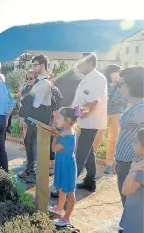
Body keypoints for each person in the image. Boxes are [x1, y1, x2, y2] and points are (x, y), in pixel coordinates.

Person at [72, 52, 107, 192]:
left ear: (91, 64)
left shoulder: (97, 78)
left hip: (91, 121)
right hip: (85, 121)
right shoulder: (87, 78)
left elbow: (93, 103)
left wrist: (74, 115)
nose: (78, 65)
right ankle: (90, 181)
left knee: (80, 154)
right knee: (89, 151)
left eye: (82, 62)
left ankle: (67, 188)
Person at [112, 66, 144, 206]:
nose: (118, 87)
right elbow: (125, 135)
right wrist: (117, 158)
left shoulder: (140, 109)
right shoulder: (132, 105)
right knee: (125, 198)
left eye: (121, 84)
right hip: (124, 160)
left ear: (133, 84)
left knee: (130, 200)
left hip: (132, 163)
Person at [18, 55, 52, 184]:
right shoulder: (39, 81)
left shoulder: (44, 83)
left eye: (35, 64)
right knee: (29, 143)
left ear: (42, 65)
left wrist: (26, 98)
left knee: (36, 146)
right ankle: (29, 170)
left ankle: (34, 174)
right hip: (32, 118)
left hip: (39, 119)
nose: (33, 67)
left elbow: (35, 103)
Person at [93, 64, 129, 174]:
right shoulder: (104, 84)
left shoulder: (121, 85)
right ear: (111, 73)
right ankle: (90, 160)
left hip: (117, 113)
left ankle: (109, 163)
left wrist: (112, 100)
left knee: (113, 139)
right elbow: (99, 99)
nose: (118, 74)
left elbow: (125, 100)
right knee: (98, 137)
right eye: (117, 72)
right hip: (104, 114)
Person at [48, 107, 78, 227]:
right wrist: (56, 117)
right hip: (62, 163)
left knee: (69, 192)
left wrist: (55, 137)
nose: (57, 120)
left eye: (59, 118)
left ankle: (67, 218)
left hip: (67, 167)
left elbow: (54, 149)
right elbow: (55, 126)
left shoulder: (68, 137)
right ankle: (60, 208)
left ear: (67, 120)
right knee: (61, 188)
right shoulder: (63, 129)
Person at [119, 128, 144, 233]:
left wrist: (132, 172)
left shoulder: (140, 168)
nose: (133, 144)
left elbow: (126, 191)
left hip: (138, 216)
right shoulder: (140, 161)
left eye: (135, 142)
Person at [18, 70, 37, 152]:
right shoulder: (25, 88)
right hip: (24, 113)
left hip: (33, 116)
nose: (28, 80)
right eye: (27, 78)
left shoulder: (37, 89)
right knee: (25, 129)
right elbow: (22, 101)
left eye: (31, 78)